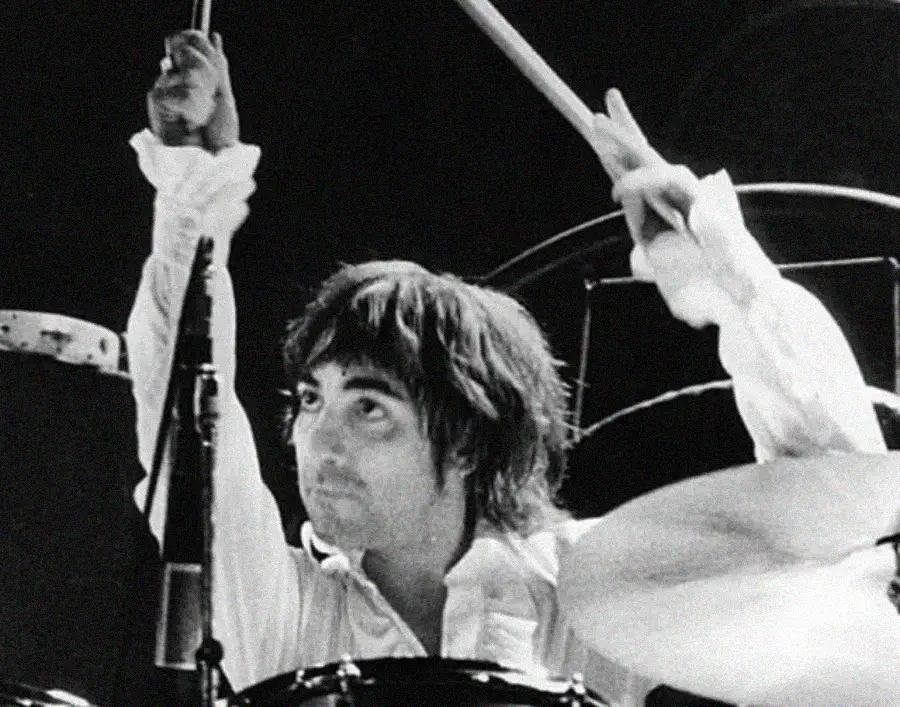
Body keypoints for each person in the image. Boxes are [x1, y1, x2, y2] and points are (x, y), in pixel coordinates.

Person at [126, 30, 887, 706]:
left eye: (369, 410)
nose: (321, 442)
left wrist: (720, 271)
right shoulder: (284, 605)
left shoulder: (599, 593)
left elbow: (828, 504)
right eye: (310, 402)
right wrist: (191, 193)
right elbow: (184, 413)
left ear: (464, 440)